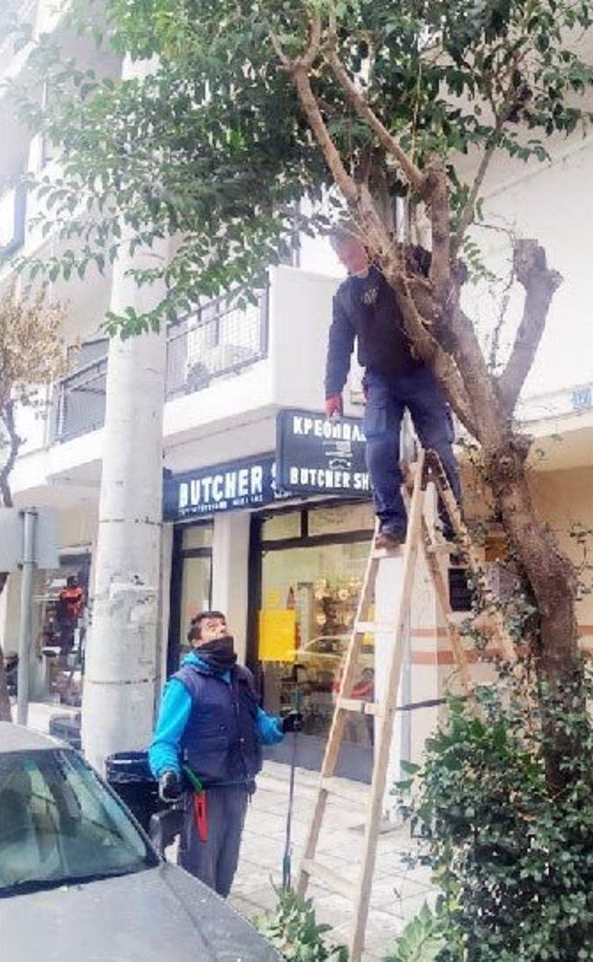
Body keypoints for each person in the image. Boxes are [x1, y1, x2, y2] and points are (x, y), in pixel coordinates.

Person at [324, 225, 462, 550]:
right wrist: (333, 389)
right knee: (377, 448)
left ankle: (454, 522)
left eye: (354, 254)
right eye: (343, 259)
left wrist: (457, 275)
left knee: (440, 447)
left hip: (420, 372)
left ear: (367, 243)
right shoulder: (344, 295)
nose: (350, 262)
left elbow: (444, 272)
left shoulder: (402, 260)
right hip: (380, 379)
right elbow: (339, 343)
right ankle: (392, 523)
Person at [148, 609, 303, 897]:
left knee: (226, 868)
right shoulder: (186, 683)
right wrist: (167, 772)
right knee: (199, 871)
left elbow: (257, 724)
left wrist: (281, 725)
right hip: (204, 794)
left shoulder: (240, 676)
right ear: (196, 641)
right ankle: (197, 931)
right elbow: (164, 741)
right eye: (211, 627)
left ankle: (220, 925)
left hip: (238, 788)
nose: (221, 630)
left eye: (223, 625)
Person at [56, 575, 85, 655]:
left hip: (72, 616)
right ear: (69, 583)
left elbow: (78, 598)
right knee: (66, 633)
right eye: (74, 582)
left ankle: (67, 649)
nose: (75, 583)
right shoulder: (64, 592)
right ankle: (64, 649)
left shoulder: (78, 590)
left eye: (76, 582)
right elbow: (70, 599)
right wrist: (78, 598)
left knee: (70, 633)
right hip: (65, 616)